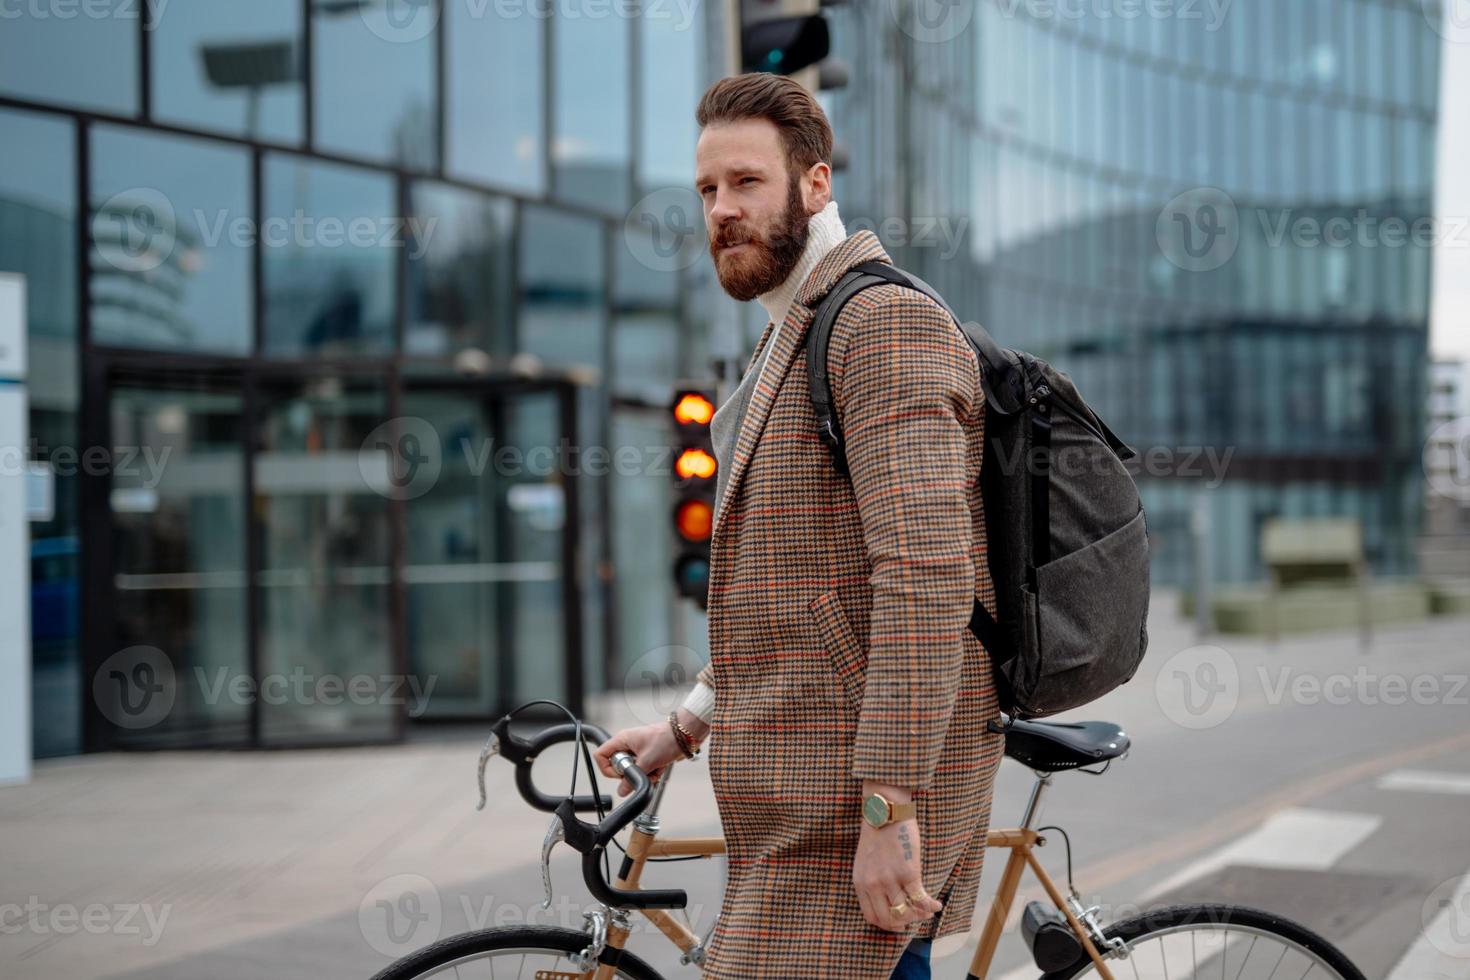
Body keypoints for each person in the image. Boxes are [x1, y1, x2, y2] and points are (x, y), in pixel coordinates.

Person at [596, 73, 1005, 980]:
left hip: (855, 801)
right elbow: (794, 586)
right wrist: (688, 724)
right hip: (798, 796)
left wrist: (890, 808)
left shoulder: (881, 323)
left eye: (746, 183)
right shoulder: (795, 331)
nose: (721, 211)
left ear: (815, 184)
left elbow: (926, 573)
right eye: (706, 191)